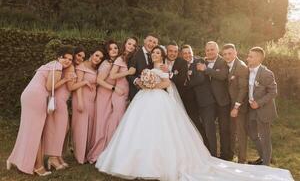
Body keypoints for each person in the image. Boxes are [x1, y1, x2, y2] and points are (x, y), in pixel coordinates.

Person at [95, 45, 293, 181]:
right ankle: (134, 162)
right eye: (153, 53)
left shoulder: (164, 67)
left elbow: (165, 83)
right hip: (143, 101)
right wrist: (141, 81)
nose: (155, 55)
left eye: (158, 53)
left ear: (162, 56)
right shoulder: (147, 68)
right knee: (139, 131)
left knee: (162, 132)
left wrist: (153, 83)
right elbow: (141, 79)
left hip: (158, 100)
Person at [6, 48, 74, 176]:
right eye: (65, 58)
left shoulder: (50, 64)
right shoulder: (58, 66)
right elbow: (49, 87)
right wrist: (65, 80)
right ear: (59, 57)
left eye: (70, 59)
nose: (68, 61)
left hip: (28, 95)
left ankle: (14, 159)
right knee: (36, 133)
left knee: (28, 131)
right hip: (37, 97)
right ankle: (37, 166)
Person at [197, 41, 231, 160]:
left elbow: (222, 76)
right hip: (209, 102)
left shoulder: (223, 62)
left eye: (212, 49)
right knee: (209, 128)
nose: (210, 52)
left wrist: (206, 70)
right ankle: (212, 154)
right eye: (208, 50)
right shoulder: (202, 62)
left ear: (217, 50)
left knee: (224, 129)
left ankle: (226, 155)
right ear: (205, 51)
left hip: (222, 101)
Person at [182, 45, 216, 156]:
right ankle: (202, 152)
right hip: (192, 103)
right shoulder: (182, 65)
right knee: (196, 127)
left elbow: (200, 79)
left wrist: (186, 84)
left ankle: (213, 154)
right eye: (185, 53)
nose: (187, 55)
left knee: (209, 128)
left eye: (189, 52)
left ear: (192, 52)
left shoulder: (200, 61)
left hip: (205, 101)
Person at [72, 48, 104, 164]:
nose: (98, 59)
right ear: (91, 55)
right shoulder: (81, 66)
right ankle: (79, 155)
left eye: (100, 58)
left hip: (91, 101)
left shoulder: (95, 69)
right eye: (96, 55)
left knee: (89, 126)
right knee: (81, 126)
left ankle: (86, 152)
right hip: (81, 99)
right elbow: (77, 85)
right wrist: (80, 101)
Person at [246, 47, 278, 166]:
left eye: (250, 56)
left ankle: (266, 165)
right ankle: (263, 157)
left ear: (259, 58)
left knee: (265, 138)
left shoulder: (266, 73)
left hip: (263, 110)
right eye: (248, 56)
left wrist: (258, 103)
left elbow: (273, 92)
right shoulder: (247, 70)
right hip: (251, 109)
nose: (247, 58)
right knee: (252, 133)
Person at [222, 43, 249, 163]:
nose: (227, 56)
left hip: (239, 105)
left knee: (240, 133)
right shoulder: (227, 65)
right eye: (225, 54)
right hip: (230, 104)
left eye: (230, 53)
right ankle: (231, 155)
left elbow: (243, 89)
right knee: (232, 130)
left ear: (235, 53)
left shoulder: (241, 66)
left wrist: (236, 107)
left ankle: (242, 160)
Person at [127, 33, 158, 100]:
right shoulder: (134, 53)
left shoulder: (156, 56)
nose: (151, 44)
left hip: (152, 93)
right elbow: (128, 73)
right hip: (137, 91)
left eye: (154, 42)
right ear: (144, 40)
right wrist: (136, 80)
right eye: (150, 41)